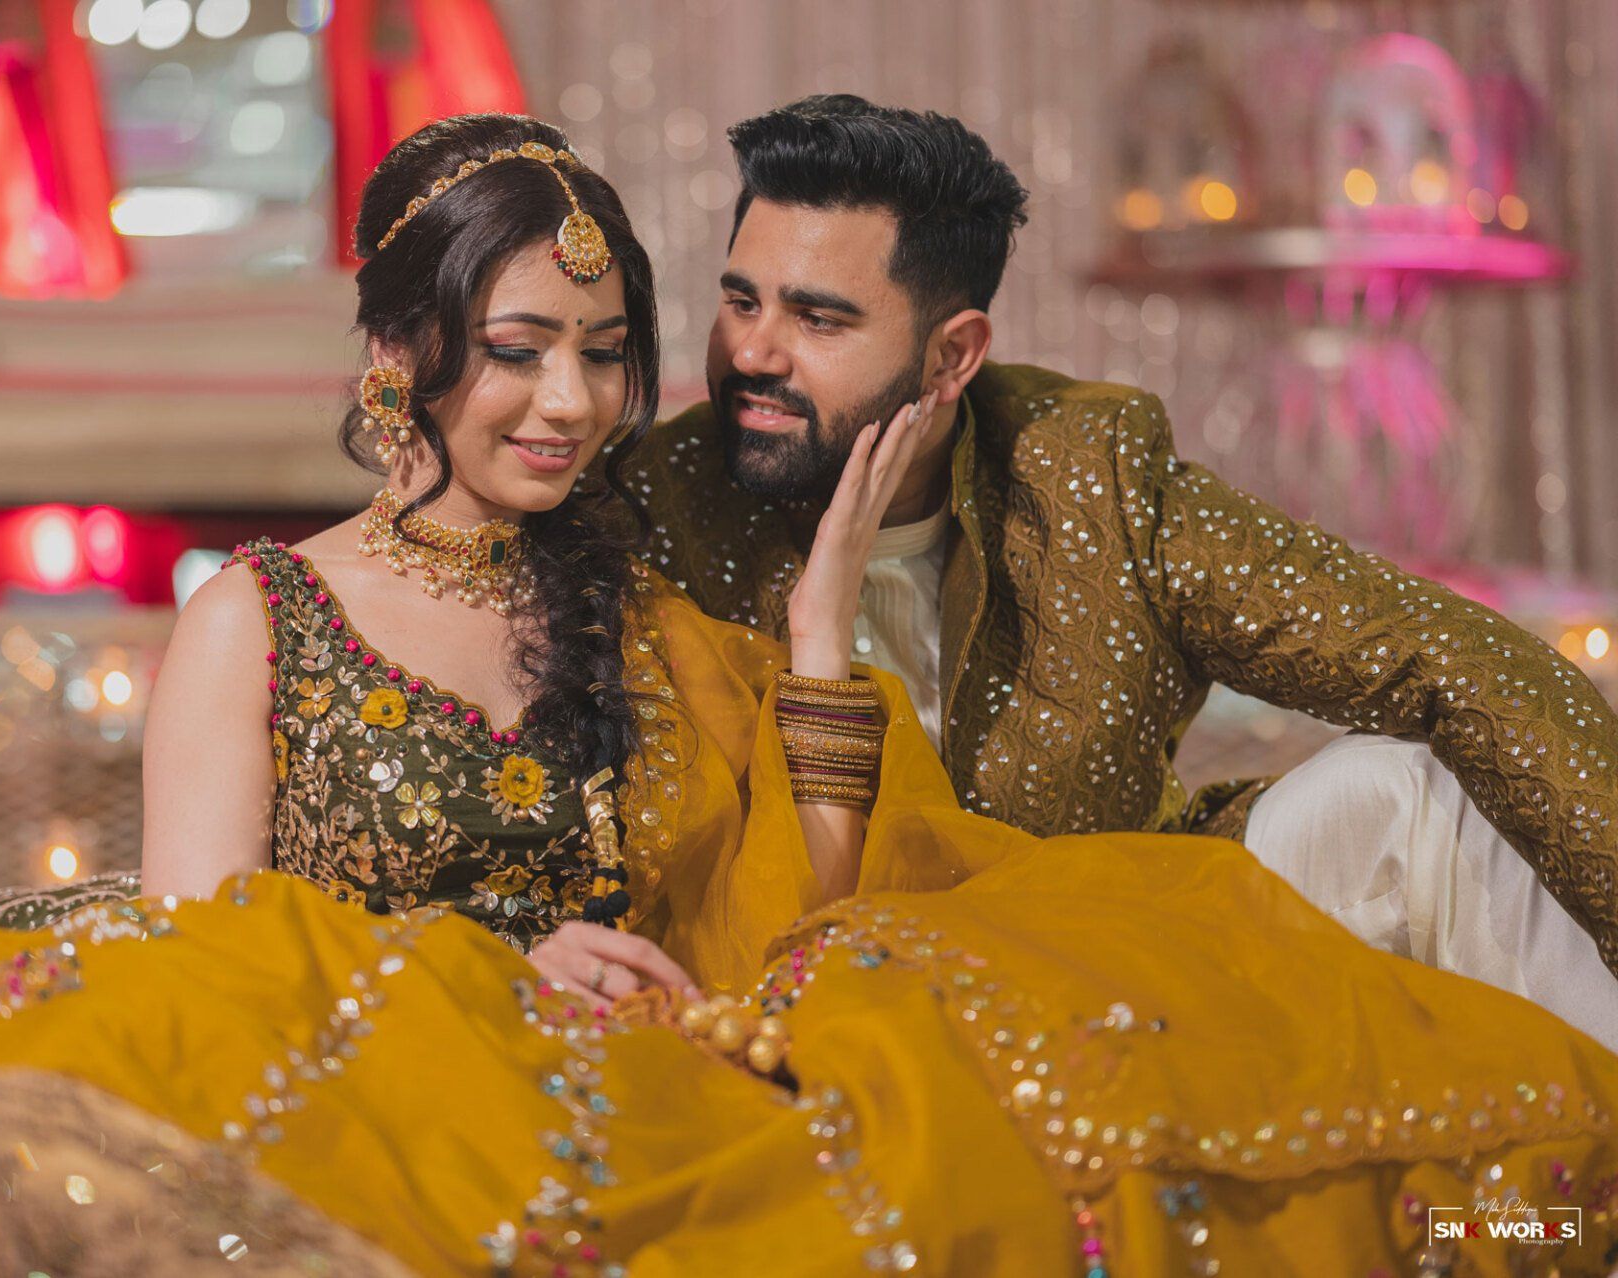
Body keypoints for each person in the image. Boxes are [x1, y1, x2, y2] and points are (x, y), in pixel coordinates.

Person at [0, 114, 1615, 1277]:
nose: (568, 402)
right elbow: (216, 957)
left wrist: (806, 672)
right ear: (401, 354)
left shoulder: (633, 599)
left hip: (660, 1064)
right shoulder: (262, 613)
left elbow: (804, 924)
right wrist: (484, 971)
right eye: (517, 348)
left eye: (607, 355)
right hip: (386, 1082)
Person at [621, 94, 1618, 1048]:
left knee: (1408, 791)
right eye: (740, 298)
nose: (753, 351)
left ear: (951, 356)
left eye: (819, 320)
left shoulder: (1082, 468)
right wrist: (820, 625)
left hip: (1124, 968)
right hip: (840, 1013)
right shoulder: (655, 511)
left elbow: (1441, 655)